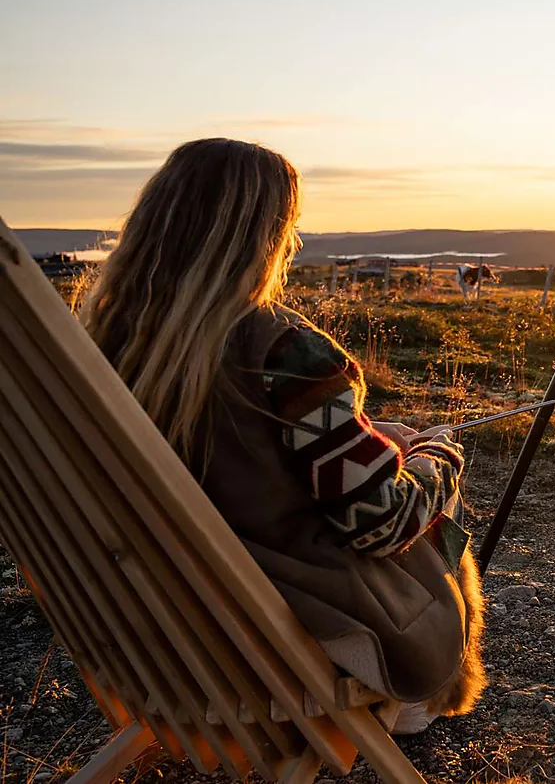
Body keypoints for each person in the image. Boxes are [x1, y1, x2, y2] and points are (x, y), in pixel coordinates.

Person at [75, 138, 484, 732]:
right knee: (430, 504)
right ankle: (420, 701)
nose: (292, 245)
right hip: (282, 629)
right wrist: (433, 455)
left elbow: (240, 460)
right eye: (287, 229)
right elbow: (380, 524)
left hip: (153, 630)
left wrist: (363, 441)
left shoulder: (104, 348)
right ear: (261, 237)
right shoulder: (283, 351)